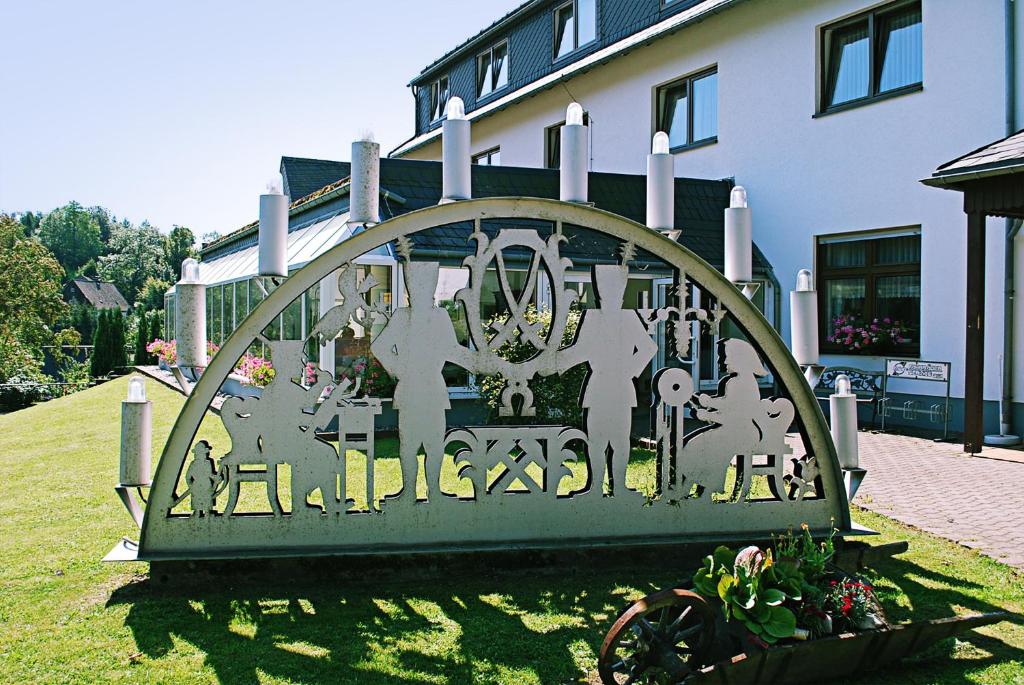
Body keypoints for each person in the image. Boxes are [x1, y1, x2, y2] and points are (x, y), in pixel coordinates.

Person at [371, 261, 472, 506]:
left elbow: (451, 349)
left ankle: (434, 491)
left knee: (435, 443)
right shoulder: (402, 316)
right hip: (409, 390)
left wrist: (475, 361)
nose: (421, 291)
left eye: (426, 286)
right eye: (416, 286)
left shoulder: (440, 316)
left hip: (433, 389)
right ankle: (408, 491)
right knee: (409, 444)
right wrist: (399, 369)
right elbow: (380, 346)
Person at [556, 264, 657, 497]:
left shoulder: (628, 317)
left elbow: (648, 347)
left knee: (620, 440)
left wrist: (628, 371)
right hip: (598, 385)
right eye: (604, 291)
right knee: (597, 439)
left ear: (621, 292)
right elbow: (581, 350)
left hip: (621, 387)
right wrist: (560, 362)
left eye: (614, 291)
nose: (609, 296)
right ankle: (594, 488)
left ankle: (619, 487)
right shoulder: (592, 317)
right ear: (599, 292)